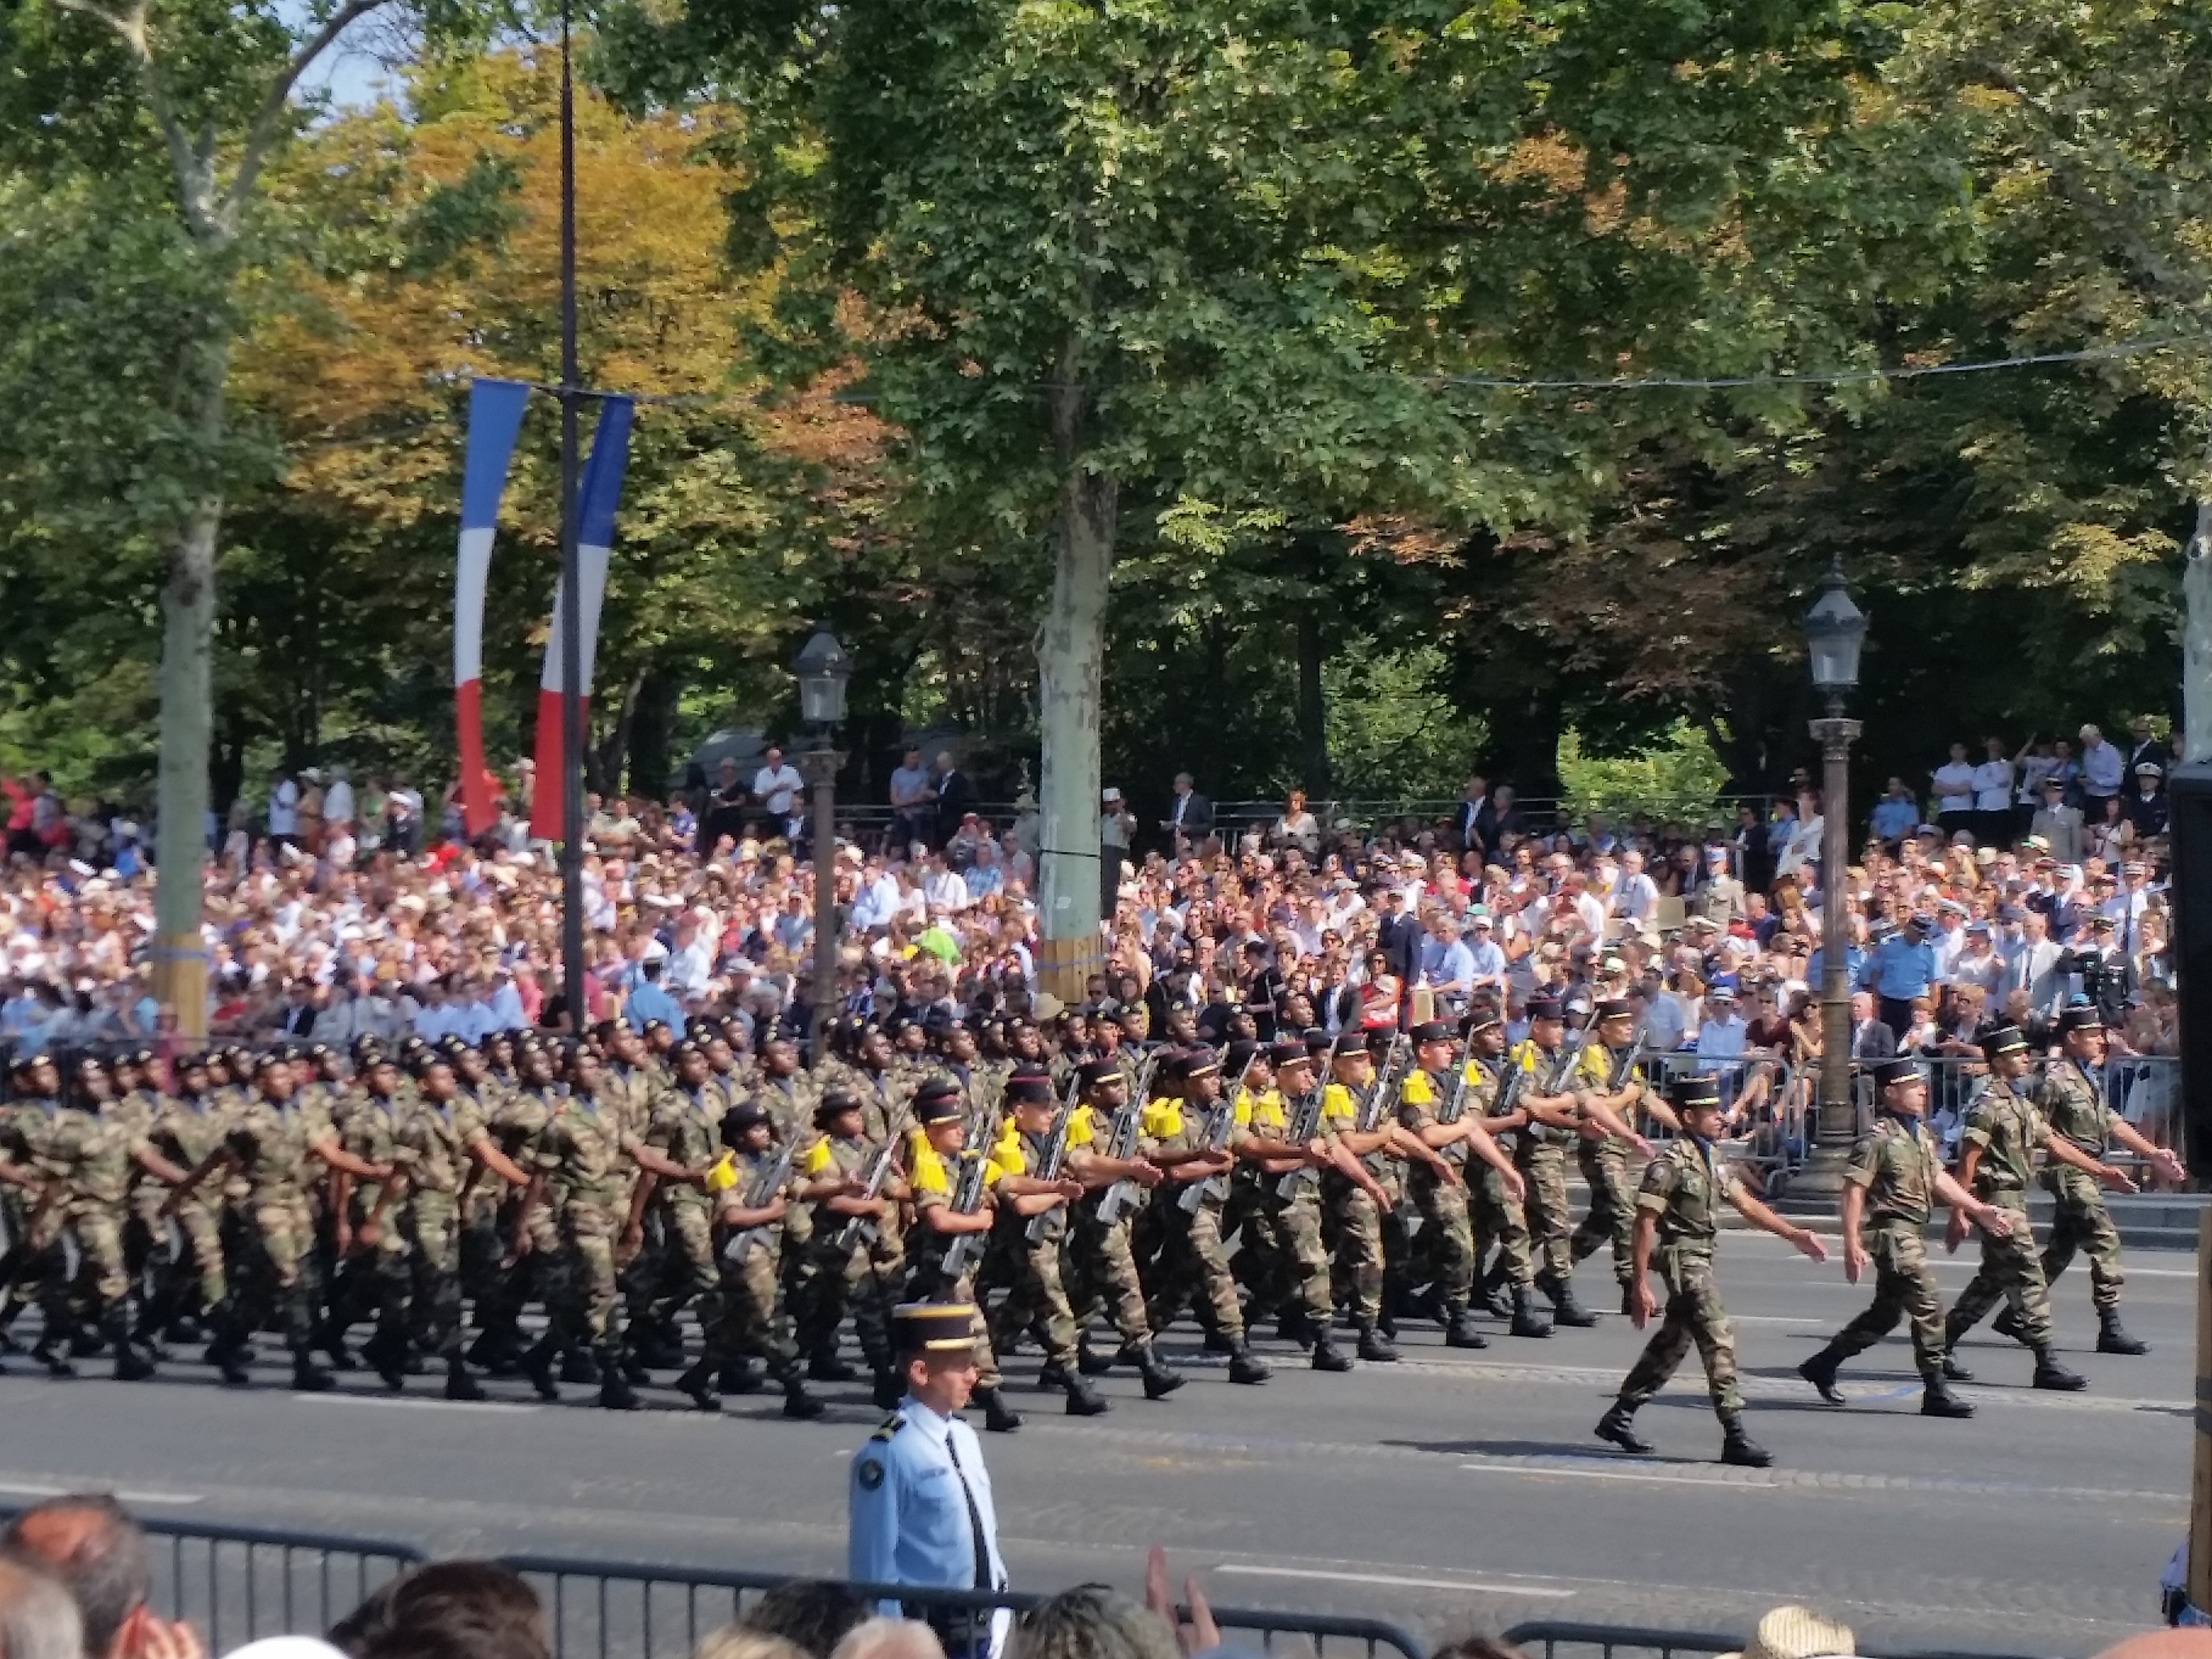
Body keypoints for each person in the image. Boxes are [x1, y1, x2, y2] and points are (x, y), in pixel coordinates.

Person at [1594, 1073, 1827, 1467]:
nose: (1720, 1118)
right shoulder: (1668, 1165)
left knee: (1673, 1343)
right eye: (1711, 1112)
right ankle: (1735, 1434)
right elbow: (1644, 1224)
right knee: (1719, 1339)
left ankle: (1620, 1415)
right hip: (1683, 1260)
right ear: (1688, 1116)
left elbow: (1746, 1205)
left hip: (1703, 1256)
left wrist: (1793, 1234)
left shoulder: (1713, 1157)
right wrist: (1639, 1285)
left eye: (1719, 1111)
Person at [1797, 1058, 2017, 1419]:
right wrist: (1851, 1242)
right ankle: (1935, 1390)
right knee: (1929, 1306)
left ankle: (1823, 1363)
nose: (1923, 1091)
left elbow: (1938, 1180)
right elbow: (1854, 1192)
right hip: (1893, 1234)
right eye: (1914, 1087)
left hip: (1912, 1231)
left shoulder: (1920, 1135)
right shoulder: (1877, 1139)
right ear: (1891, 1093)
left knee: (1885, 1314)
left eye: (1921, 1085)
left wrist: (1978, 1210)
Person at [1940, 1024, 2139, 1390]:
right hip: (1997, 1203)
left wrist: (2103, 1172)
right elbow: (1968, 1161)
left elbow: (2055, 1143)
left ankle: (1938, 1347)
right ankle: (2046, 1362)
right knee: (2031, 1279)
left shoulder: (2019, 1103)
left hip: (2015, 1199)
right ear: (1999, 1062)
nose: (2026, 1058)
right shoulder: (1987, 1105)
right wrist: (1960, 1211)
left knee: (1992, 1281)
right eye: (2017, 1054)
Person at [847, 1303, 1009, 1659]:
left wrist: (999, 1611)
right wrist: (895, 1643)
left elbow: (983, 1530)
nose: (973, 1377)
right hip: (928, 1633)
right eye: (962, 1366)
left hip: (979, 1621)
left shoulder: (964, 1438)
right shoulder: (890, 1453)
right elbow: (873, 1567)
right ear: (921, 1372)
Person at [2032, 1005, 2185, 1354]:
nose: (2101, 1041)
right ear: (2072, 1038)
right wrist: (2098, 1170)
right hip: (2068, 1171)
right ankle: (2110, 1326)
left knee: (2061, 1250)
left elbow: (2110, 1121)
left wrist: (2153, 1153)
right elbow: (2040, 1133)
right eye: (2093, 1035)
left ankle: (2018, 1309)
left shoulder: (2086, 1075)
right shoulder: (2055, 1080)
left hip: (2086, 1169)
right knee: (2105, 1239)